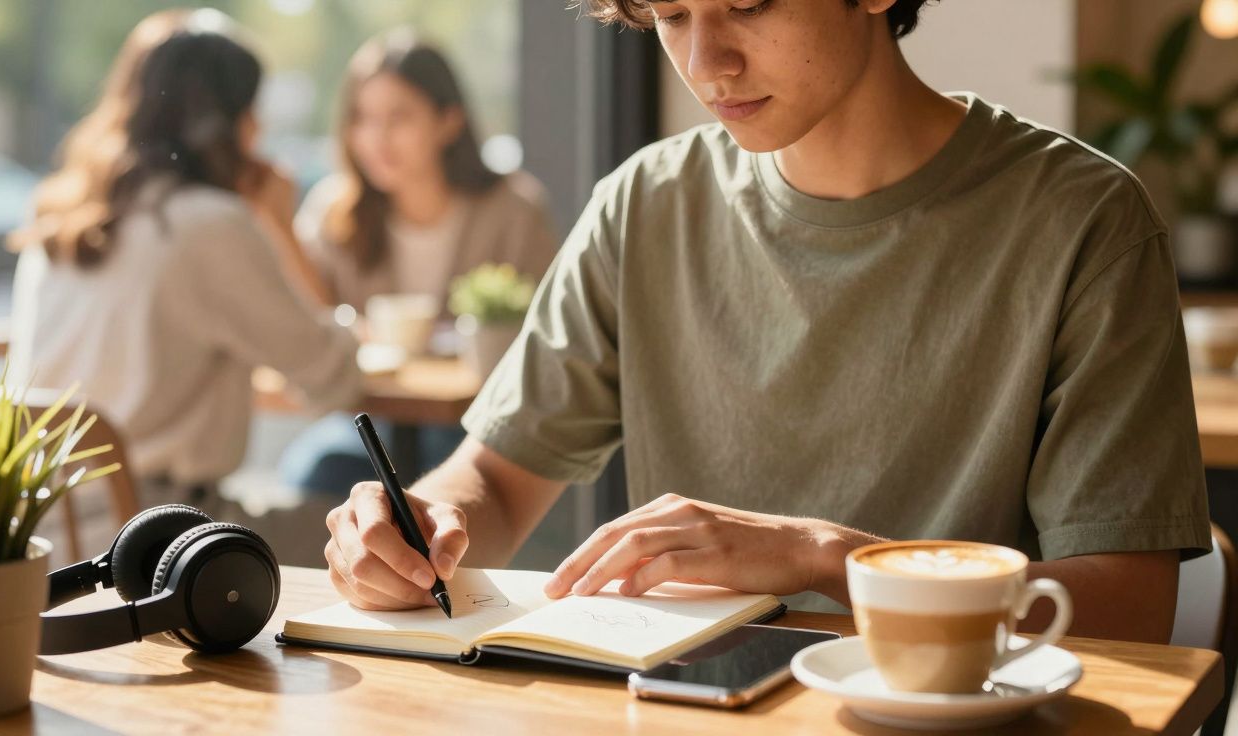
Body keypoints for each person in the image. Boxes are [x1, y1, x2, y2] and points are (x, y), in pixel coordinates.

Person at [323, 0, 1210, 643]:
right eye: (669, 15)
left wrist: (825, 557)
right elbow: (501, 481)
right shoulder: (645, 205)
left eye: (747, 4)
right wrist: (415, 528)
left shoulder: (1083, 220)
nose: (707, 62)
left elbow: (1128, 608)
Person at [9, 10, 364, 497]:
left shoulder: (62, 210)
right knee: (358, 514)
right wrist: (279, 224)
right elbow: (332, 379)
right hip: (156, 536)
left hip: (42, 525)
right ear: (233, 120)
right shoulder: (208, 223)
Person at [278, 29, 557, 495]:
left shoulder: (513, 210)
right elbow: (307, 320)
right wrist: (277, 225)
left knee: (437, 472)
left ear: (448, 121)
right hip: (371, 417)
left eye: (398, 117)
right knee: (315, 473)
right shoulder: (335, 211)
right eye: (362, 119)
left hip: (475, 420)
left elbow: (547, 334)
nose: (377, 138)